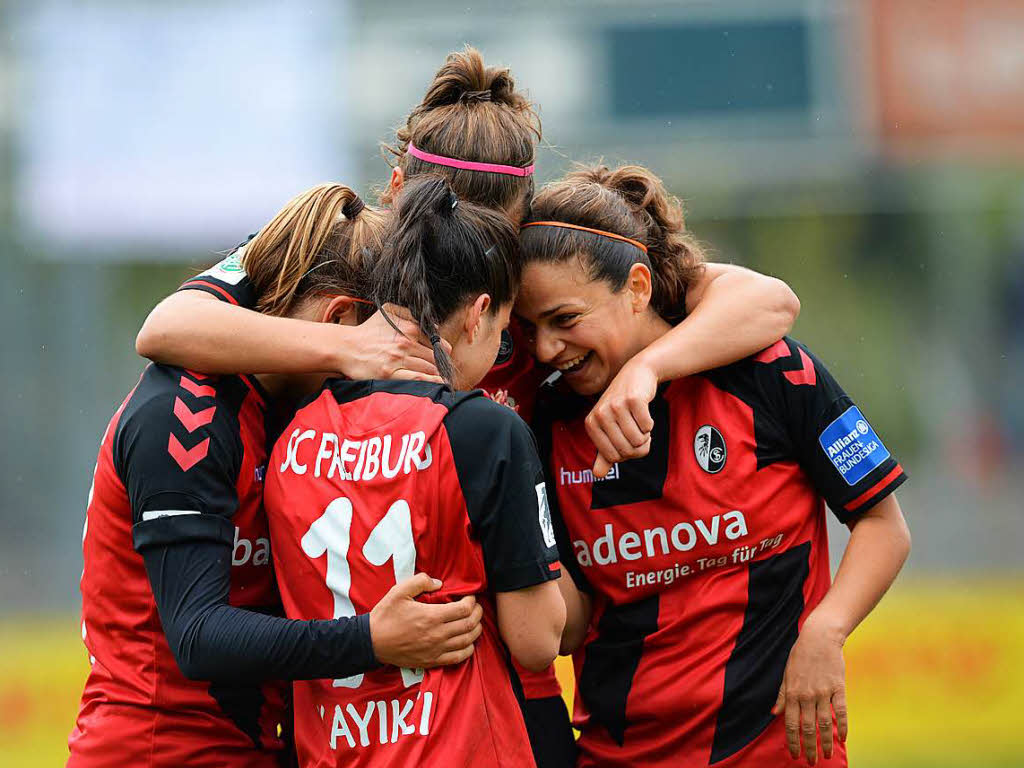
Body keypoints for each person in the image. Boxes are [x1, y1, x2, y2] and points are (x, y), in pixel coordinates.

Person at [130, 49, 800, 768]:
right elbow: (164, 329)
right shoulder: (346, 258)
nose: (464, 243)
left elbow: (768, 301)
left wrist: (648, 368)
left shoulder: (539, 279)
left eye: (495, 236)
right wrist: (345, 353)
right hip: (405, 690)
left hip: (472, 695)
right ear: (397, 188)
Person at [68, 183, 484, 768]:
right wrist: (370, 640)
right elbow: (197, 635)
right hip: (158, 752)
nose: (381, 385)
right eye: (385, 355)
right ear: (339, 320)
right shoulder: (186, 416)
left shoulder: (283, 413)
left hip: (253, 747)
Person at [515, 164, 913, 768]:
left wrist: (825, 631)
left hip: (779, 750)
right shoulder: (545, 423)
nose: (546, 348)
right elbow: (570, 626)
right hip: (618, 755)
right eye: (532, 327)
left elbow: (884, 525)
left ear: (639, 288)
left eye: (565, 320)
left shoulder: (773, 373)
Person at [263, 175, 565, 767]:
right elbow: (537, 642)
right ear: (478, 316)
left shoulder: (292, 435)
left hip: (333, 751)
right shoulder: (485, 431)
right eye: (503, 334)